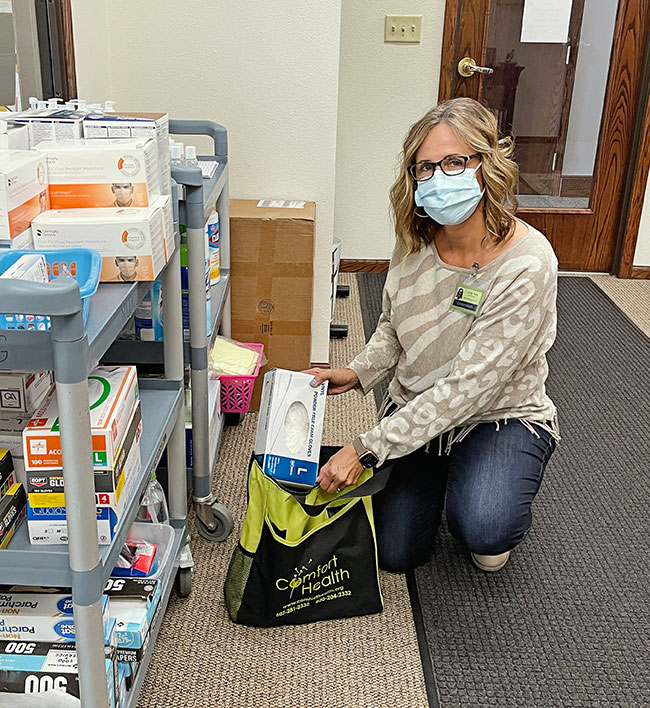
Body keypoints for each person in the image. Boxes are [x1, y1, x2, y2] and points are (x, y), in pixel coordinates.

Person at [305, 97, 559, 574]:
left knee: (483, 528)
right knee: (397, 552)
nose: (440, 176)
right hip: (418, 403)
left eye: (455, 161)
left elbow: (467, 389)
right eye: (425, 167)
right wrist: (357, 371)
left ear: (487, 165)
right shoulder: (414, 240)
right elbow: (393, 327)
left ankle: (489, 483)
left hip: (497, 414)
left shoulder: (527, 264)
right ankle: (444, 468)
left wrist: (366, 448)